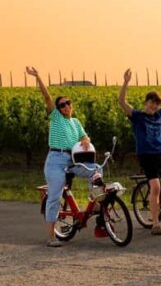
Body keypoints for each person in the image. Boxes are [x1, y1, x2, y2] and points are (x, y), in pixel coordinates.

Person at [26, 66, 105, 247]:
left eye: (68, 103)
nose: (66, 106)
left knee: (97, 168)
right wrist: (38, 76)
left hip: (73, 159)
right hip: (55, 160)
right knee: (55, 196)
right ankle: (51, 236)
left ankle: (96, 200)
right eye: (62, 105)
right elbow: (46, 97)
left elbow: (84, 135)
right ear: (58, 108)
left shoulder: (75, 122)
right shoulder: (56, 117)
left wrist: (85, 139)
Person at [118, 68, 161, 235]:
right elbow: (121, 102)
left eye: (157, 103)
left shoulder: (160, 115)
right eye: (151, 102)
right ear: (146, 102)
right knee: (155, 187)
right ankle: (156, 224)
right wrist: (126, 82)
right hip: (147, 156)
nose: (154, 105)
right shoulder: (137, 116)